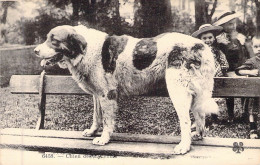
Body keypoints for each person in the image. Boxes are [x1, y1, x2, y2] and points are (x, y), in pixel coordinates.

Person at [213, 11, 251, 123]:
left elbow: (243, 54)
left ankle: (245, 113)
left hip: (240, 68)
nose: (233, 26)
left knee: (246, 87)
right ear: (223, 26)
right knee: (230, 91)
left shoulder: (238, 37)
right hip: (228, 69)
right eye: (229, 24)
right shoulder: (219, 39)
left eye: (233, 23)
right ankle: (231, 115)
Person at [192, 24, 229, 126]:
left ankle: (214, 118)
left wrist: (223, 67)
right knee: (200, 96)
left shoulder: (217, 51)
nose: (208, 40)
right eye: (204, 38)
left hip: (215, 76)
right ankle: (199, 118)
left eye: (210, 37)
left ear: (214, 38)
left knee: (214, 97)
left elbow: (224, 63)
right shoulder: (198, 52)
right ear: (200, 39)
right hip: (202, 77)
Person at [235, 36, 260, 139]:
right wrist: (250, 72)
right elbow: (238, 71)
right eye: (256, 47)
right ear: (252, 48)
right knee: (252, 111)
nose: (259, 49)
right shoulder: (252, 61)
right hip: (254, 93)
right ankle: (253, 129)